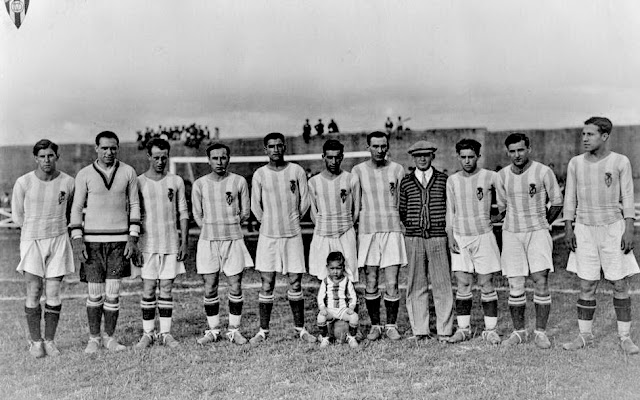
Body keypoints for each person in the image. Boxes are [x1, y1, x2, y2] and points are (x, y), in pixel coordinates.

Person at [562, 117, 639, 354]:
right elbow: (570, 197)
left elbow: (627, 197)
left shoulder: (619, 161)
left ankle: (624, 337)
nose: (584, 138)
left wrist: (629, 227)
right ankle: (585, 335)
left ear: (604, 136)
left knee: (619, 283)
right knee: (586, 284)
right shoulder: (575, 163)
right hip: (584, 228)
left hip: (613, 227)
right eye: (583, 134)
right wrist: (568, 226)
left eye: (590, 134)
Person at [70, 131, 141, 353]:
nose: (109, 152)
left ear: (117, 148)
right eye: (104, 148)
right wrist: (78, 239)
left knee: (113, 292)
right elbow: (75, 208)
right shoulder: (84, 174)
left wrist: (132, 237)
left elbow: (135, 205)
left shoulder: (128, 171)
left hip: (119, 241)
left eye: (113, 148)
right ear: (96, 148)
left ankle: (110, 337)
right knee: (94, 293)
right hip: (92, 242)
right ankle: (94, 338)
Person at [494, 133, 563, 349]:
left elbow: (557, 203)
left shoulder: (543, 171)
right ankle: (519, 332)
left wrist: (544, 223)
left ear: (529, 149)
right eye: (512, 151)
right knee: (515, 283)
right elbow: (504, 208)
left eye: (520, 150)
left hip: (538, 232)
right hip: (512, 233)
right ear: (508, 152)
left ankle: (540, 333)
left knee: (540, 280)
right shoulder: (502, 176)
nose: (517, 155)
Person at [250, 132, 315, 344]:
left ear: (284, 147)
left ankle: (300, 329)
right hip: (268, 236)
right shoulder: (259, 174)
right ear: (265, 149)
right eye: (271, 146)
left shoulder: (296, 171)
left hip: (292, 234)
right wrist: (267, 222)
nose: (276, 150)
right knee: (267, 282)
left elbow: (304, 201)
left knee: (295, 282)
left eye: (279, 145)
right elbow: (255, 206)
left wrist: (293, 219)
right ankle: (263, 331)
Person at [12, 139, 75, 358]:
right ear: (35, 158)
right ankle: (35, 342)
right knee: (34, 290)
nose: (46, 160)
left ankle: (49, 340)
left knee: (53, 291)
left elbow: (69, 212)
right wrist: (32, 232)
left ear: (57, 156)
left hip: (58, 238)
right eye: (42, 156)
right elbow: (18, 215)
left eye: (50, 155)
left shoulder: (68, 182)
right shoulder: (24, 182)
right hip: (32, 240)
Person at [192, 143, 253, 346]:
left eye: (223, 158)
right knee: (210, 287)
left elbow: (245, 213)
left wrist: (228, 226)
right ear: (208, 160)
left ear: (229, 158)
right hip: (208, 241)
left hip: (233, 239)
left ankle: (234, 330)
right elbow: (197, 215)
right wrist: (212, 228)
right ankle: (213, 330)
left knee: (235, 286)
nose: (220, 162)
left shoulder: (239, 181)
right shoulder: (200, 184)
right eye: (215, 158)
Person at [134, 138, 189, 349]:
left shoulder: (176, 181)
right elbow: (134, 215)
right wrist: (136, 242)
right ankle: (148, 333)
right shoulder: (138, 182)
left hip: (170, 243)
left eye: (164, 158)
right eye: (156, 157)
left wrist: (184, 242)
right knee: (148, 290)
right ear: (149, 156)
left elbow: (183, 212)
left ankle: (165, 333)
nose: (160, 161)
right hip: (147, 244)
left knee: (166, 288)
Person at [352, 131, 407, 341]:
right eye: (375, 146)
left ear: (388, 146)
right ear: (368, 147)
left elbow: (401, 202)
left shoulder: (397, 170)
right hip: (368, 231)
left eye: (383, 146)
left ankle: (391, 325)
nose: (380, 150)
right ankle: (375, 325)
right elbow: (355, 205)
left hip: (392, 230)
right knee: (372, 281)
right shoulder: (358, 171)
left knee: (392, 282)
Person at [445, 139, 501, 345]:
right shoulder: (452, 181)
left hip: (483, 236)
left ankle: (491, 330)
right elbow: (450, 212)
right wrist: (450, 235)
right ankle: (463, 329)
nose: (467, 161)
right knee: (463, 284)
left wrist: (495, 220)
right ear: (458, 157)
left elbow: (504, 201)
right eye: (463, 157)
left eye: (471, 156)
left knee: (486, 283)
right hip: (460, 236)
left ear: (478, 156)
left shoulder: (490, 176)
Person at [399, 140, 453, 341]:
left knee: (442, 284)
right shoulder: (406, 181)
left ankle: (444, 330)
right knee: (416, 284)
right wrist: (414, 225)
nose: (422, 158)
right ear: (413, 157)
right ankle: (420, 330)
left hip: (438, 237)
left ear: (433, 156)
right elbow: (402, 210)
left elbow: (449, 208)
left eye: (426, 154)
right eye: (418, 155)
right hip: (414, 238)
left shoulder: (443, 180)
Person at [308, 139, 360, 283]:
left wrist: (346, 226)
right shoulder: (313, 182)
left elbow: (356, 209)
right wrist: (323, 227)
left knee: (348, 277)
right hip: (322, 235)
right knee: (324, 278)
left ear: (342, 157)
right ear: (323, 156)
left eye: (337, 157)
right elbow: (313, 212)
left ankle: (348, 306)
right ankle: (326, 306)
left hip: (345, 233)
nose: (334, 161)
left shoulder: (351, 178)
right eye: (330, 157)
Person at [316, 251, 359, 348]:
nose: (335, 272)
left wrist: (351, 307)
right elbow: (320, 296)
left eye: (338, 268)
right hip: (330, 310)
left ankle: (351, 337)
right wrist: (322, 308)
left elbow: (353, 296)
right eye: (332, 268)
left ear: (343, 268)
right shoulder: (325, 281)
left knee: (354, 317)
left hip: (343, 310)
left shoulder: (347, 281)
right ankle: (325, 338)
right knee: (321, 317)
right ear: (327, 268)